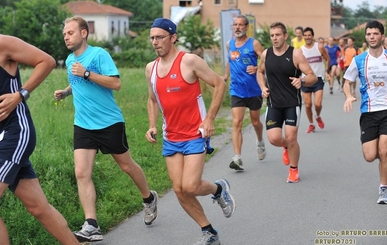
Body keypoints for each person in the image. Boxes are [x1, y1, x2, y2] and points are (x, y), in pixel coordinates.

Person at [54, 16, 158, 242]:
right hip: (83, 125)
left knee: (127, 166)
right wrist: (66, 91)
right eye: (64, 34)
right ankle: (91, 224)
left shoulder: (99, 54)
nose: (66, 37)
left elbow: (116, 83)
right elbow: (77, 82)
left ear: (84, 33)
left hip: (109, 123)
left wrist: (88, 73)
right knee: (81, 173)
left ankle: (149, 198)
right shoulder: (71, 59)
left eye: (70, 33)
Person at [145, 18, 235, 245]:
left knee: (191, 186)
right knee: (179, 190)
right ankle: (209, 231)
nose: (155, 42)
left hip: (195, 133)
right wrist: (152, 125)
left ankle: (218, 188)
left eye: (160, 37)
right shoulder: (151, 69)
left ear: (173, 37)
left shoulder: (190, 61)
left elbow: (220, 84)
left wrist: (210, 118)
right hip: (171, 137)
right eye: (152, 38)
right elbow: (152, 99)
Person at [0, 35, 79, 245]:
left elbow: (47, 61)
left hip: (15, 132)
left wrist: (20, 94)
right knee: (38, 207)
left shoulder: (3, 43)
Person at [343, 20, 387, 204]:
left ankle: (383, 189)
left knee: (384, 151)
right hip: (368, 111)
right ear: (366, 37)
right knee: (370, 156)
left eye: (375, 34)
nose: (372, 37)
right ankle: (384, 161)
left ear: (382, 36)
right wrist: (348, 96)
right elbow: (347, 81)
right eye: (369, 34)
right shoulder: (359, 60)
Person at [256, 22, 317, 183]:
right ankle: (285, 148)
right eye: (272, 35)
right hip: (273, 103)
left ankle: (293, 170)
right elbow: (259, 72)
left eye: (277, 35)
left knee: (291, 138)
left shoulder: (296, 54)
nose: (274, 38)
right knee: (274, 139)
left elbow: (312, 76)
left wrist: (302, 81)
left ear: (285, 36)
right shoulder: (266, 54)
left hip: (292, 103)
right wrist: (262, 87)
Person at [220, 15, 266, 171]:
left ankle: (260, 141)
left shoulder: (254, 44)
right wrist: (226, 76)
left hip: (254, 90)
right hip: (237, 89)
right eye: (235, 25)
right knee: (236, 122)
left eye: (241, 25)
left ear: (247, 27)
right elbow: (230, 61)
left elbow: (266, 58)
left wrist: (259, 68)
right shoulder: (229, 44)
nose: (238, 27)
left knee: (255, 122)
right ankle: (237, 157)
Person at [301, 27, 330, 133]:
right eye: (305, 35)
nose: (307, 37)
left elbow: (327, 59)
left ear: (313, 36)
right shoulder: (301, 51)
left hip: (318, 78)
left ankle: (317, 116)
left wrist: (326, 71)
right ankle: (311, 124)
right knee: (308, 104)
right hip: (306, 79)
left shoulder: (320, 47)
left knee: (318, 104)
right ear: (303, 36)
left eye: (309, 35)